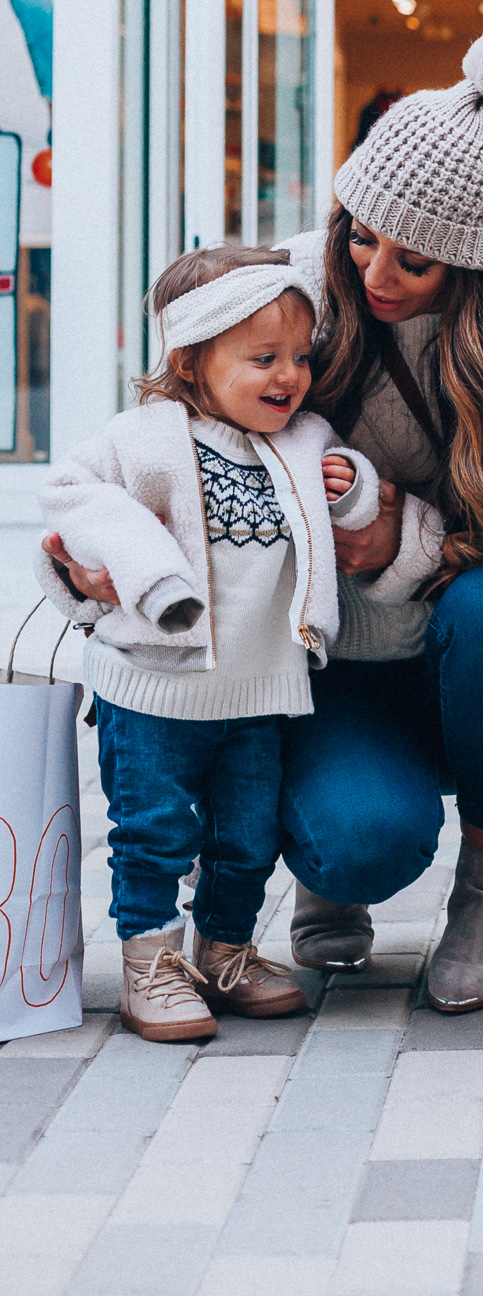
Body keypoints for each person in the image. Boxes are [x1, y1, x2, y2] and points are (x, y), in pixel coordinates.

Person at [49, 33, 483, 1016]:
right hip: (326, 658)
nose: (377, 271)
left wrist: (419, 540)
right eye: (360, 232)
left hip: (482, 651)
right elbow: (160, 453)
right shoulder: (289, 303)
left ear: (478, 266)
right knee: (359, 840)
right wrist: (89, 568)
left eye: (415, 259)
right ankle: (331, 859)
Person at [36, 246, 379, 1042]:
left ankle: (224, 949)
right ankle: (148, 961)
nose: (287, 375)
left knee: (246, 835)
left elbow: (354, 500)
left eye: (299, 356)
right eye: (262, 358)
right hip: (153, 690)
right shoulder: (146, 439)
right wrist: (137, 567)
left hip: (260, 689)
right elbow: (71, 497)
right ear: (191, 361)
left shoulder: (305, 439)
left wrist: (355, 489)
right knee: (154, 831)